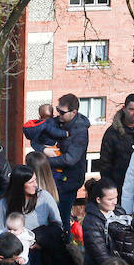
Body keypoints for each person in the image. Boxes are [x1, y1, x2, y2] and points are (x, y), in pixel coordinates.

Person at [46, 94, 91, 228]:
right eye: (57, 110)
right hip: (55, 178)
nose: (58, 114)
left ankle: (65, 245)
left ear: (74, 112)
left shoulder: (80, 131)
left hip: (68, 181)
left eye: (62, 112)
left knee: (61, 218)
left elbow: (70, 159)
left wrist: (46, 161)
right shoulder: (61, 122)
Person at [99, 94, 134, 193]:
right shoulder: (112, 133)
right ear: (124, 108)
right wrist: (110, 187)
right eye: (131, 109)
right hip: (120, 184)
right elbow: (105, 163)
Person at [0, 165, 62, 233]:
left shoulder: (44, 197)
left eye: (35, 180)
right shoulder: (3, 204)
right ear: (20, 185)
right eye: (31, 182)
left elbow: (58, 224)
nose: (35, 185)